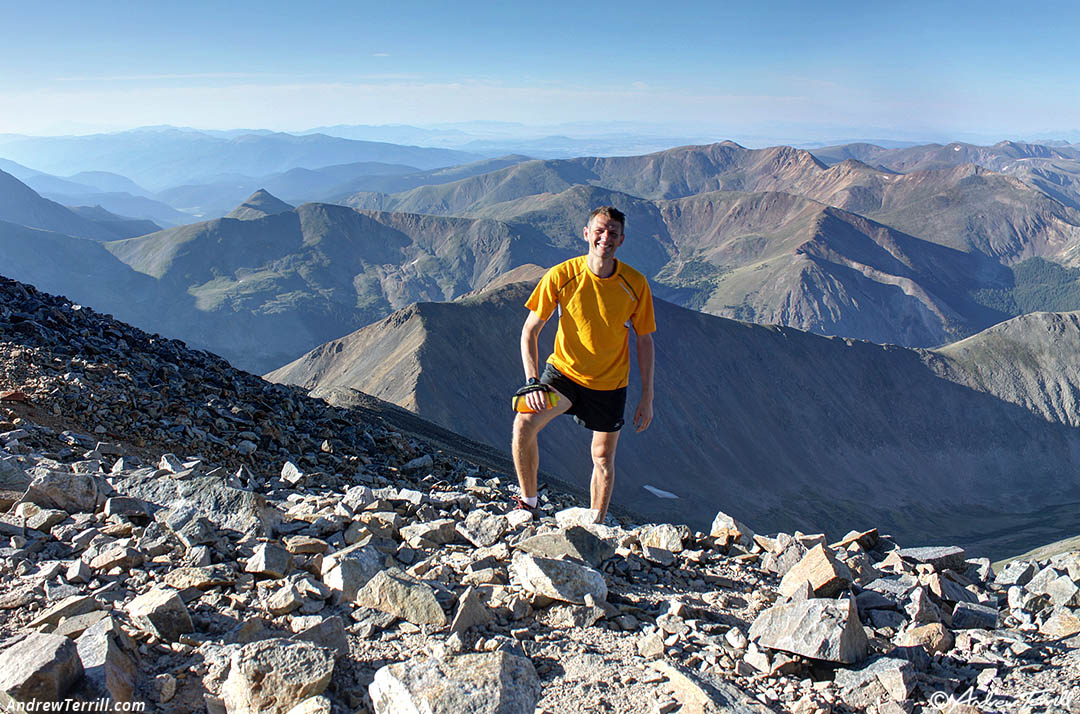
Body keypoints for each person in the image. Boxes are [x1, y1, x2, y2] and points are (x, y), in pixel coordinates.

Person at [511, 206, 656, 523]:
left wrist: (647, 398)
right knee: (524, 424)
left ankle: (596, 525)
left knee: (603, 457)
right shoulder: (562, 275)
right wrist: (533, 380)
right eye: (600, 230)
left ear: (621, 240)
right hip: (563, 375)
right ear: (587, 233)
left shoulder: (635, 284)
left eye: (613, 233)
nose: (606, 237)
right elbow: (529, 331)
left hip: (609, 383)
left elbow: (645, 341)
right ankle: (529, 503)